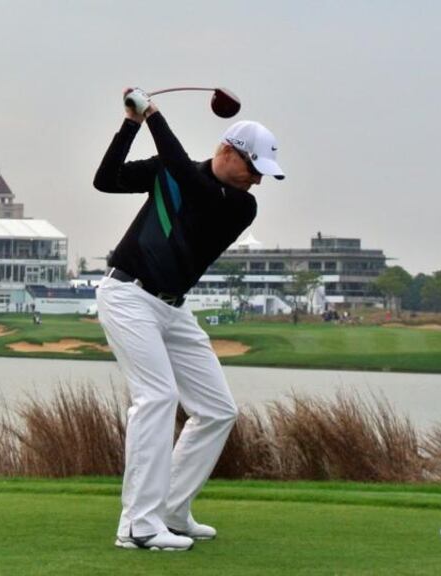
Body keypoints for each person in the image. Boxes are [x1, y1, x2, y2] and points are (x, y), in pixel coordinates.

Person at [93, 88, 284, 551]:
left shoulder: (239, 206)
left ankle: (172, 512)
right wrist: (131, 124)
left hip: (173, 309)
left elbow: (188, 178)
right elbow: (106, 180)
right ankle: (138, 526)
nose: (257, 181)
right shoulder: (168, 170)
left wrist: (154, 115)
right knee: (157, 396)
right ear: (227, 151)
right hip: (127, 295)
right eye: (253, 168)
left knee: (218, 410)